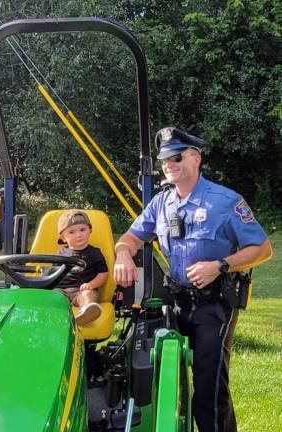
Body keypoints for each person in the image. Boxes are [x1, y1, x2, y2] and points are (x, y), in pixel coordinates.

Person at [114, 127, 272, 432]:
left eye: (176, 157)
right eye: (163, 161)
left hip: (214, 305)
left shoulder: (225, 201)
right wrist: (123, 254)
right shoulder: (162, 203)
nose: (169, 165)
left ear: (196, 159)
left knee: (208, 386)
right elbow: (131, 237)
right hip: (175, 303)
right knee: (160, 377)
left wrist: (221, 265)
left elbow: (263, 249)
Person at [55, 209, 108, 326]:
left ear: (90, 230)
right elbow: (55, 273)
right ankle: (56, 317)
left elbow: (103, 273)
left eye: (82, 230)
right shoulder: (60, 253)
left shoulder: (94, 253)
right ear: (62, 237)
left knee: (88, 295)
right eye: (71, 232)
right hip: (62, 290)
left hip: (81, 290)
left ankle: (87, 313)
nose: (78, 235)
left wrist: (91, 285)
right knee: (53, 295)